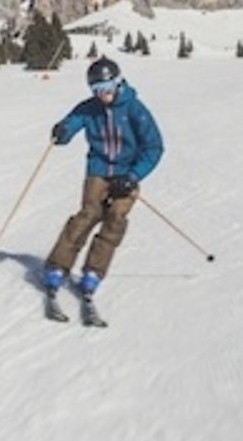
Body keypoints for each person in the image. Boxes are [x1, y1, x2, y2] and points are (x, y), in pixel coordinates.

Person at [43, 58, 164, 322]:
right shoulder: (90, 108)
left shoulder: (135, 109)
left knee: (115, 219)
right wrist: (62, 132)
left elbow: (154, 147)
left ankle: (93, 272)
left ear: (118, 82)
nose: (103, 95)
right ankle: (56, 268)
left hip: (126, 174)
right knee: (87, 215)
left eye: (107, 87)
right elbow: (72, 123)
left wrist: (133, 176)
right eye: (96, 89)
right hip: (98, 170)